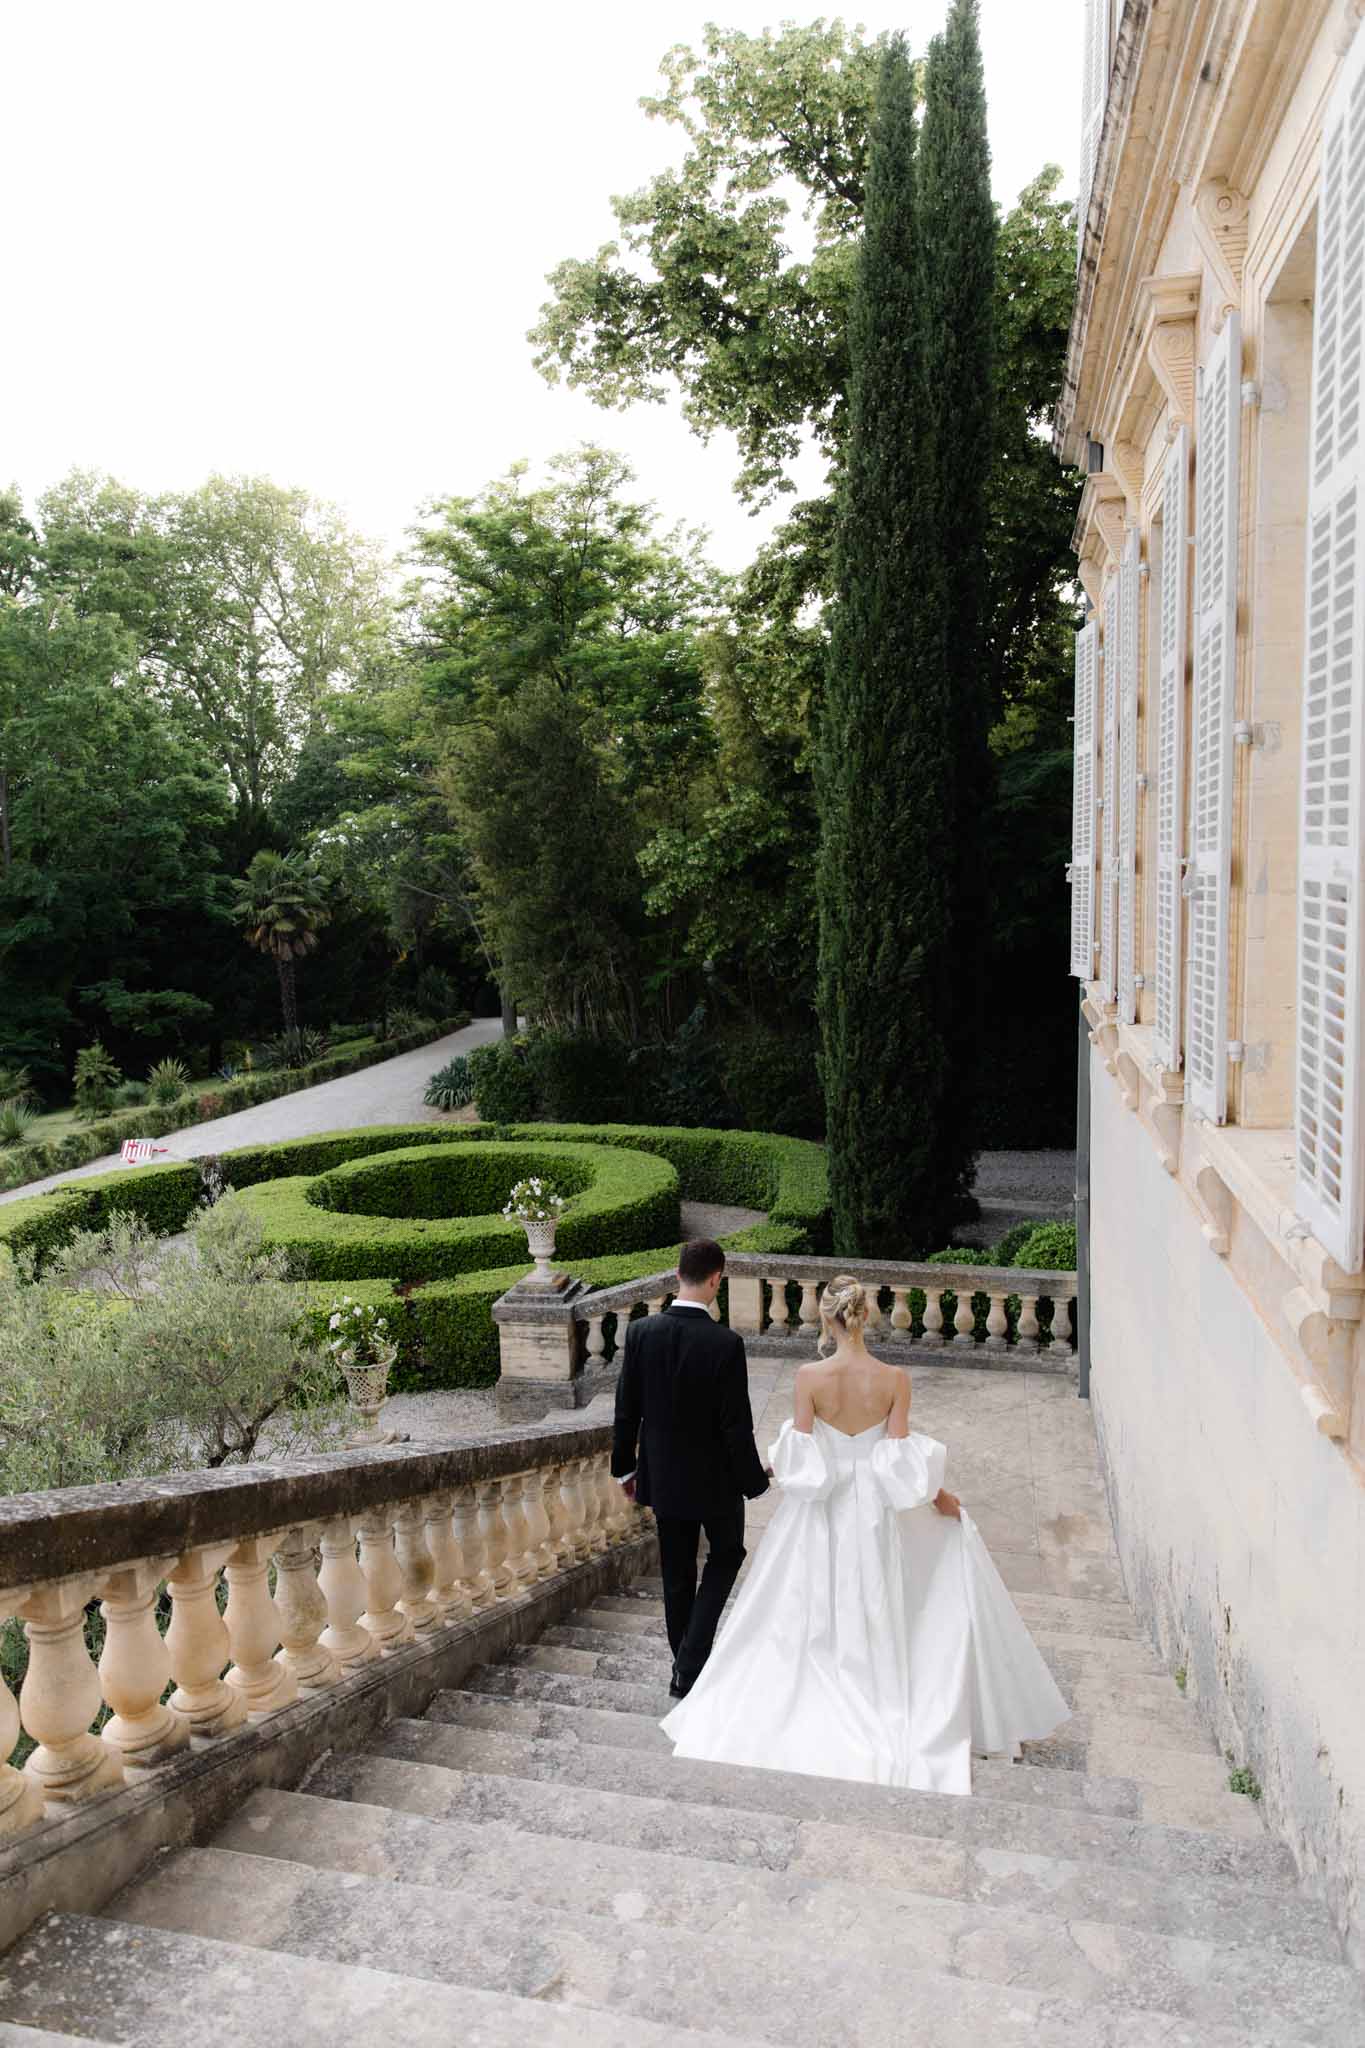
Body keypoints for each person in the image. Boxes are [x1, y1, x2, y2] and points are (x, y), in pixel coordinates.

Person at [660, 1274, 1070, 1791]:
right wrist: (942, 1500)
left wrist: (776, 1464)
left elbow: (804, 1460)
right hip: (875, 1507)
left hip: (824, 1508)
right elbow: (897, 1461)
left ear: (827, 1318)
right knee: (883, 1598)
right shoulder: (894, 1377)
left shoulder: (809, 1376)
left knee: (802, 1605)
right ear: (865, 1316)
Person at [611, 1238, 770, 1699]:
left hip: (663, 1477)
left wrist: (625, 1470)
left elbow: (626, 1411)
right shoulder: (726, 1343)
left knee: (677, 1573)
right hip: (717, 1483)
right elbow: (735, 1427)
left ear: (677, 1274)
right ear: (716, 1278)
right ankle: (690, 1661)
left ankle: (685, 1667)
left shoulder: (641, 1333)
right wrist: (754, 1482)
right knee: (727, 1555)